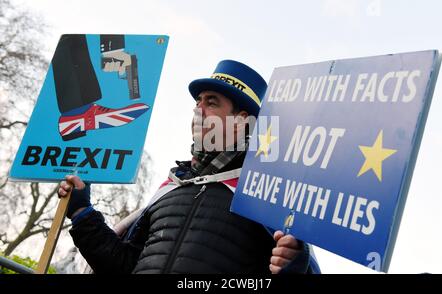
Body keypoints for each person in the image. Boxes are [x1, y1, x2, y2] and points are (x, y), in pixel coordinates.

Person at [58, 59, 320, 274]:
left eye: (211, 102)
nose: (198, 111)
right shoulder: (170, 188)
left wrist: (297, 266)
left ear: (241, 120)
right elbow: (124, 266)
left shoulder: (266, 194)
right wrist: (82, 213)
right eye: (198, 102)